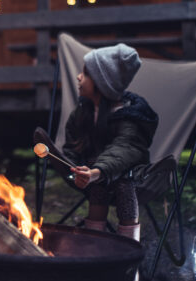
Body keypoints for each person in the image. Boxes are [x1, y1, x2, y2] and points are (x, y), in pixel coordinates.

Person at [63, 43, 158, 243]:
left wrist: (96, 173)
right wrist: (74, 170)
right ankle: (94, 246)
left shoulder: (131, 116)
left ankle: (129, 247)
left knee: (123, 182)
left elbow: (124, 149)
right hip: (93, 176)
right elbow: (71, 147)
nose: (79, 77)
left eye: (85, 74)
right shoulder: (83, 112)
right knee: (99, 185)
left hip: (130, 176)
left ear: (101, 82)